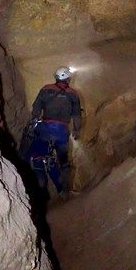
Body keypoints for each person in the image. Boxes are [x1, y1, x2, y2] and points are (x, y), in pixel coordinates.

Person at [23, 66, 81, 197]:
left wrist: (34, 119)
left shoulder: (46, 89)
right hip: (62, 132)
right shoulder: (73, 94)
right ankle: (64, 191)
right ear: (68, 79)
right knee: (64, 163)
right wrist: (76, 130)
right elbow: (77, 115)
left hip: (45, 129)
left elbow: (36, 108)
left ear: (56, 78)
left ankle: (39, 187)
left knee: (34, 155)